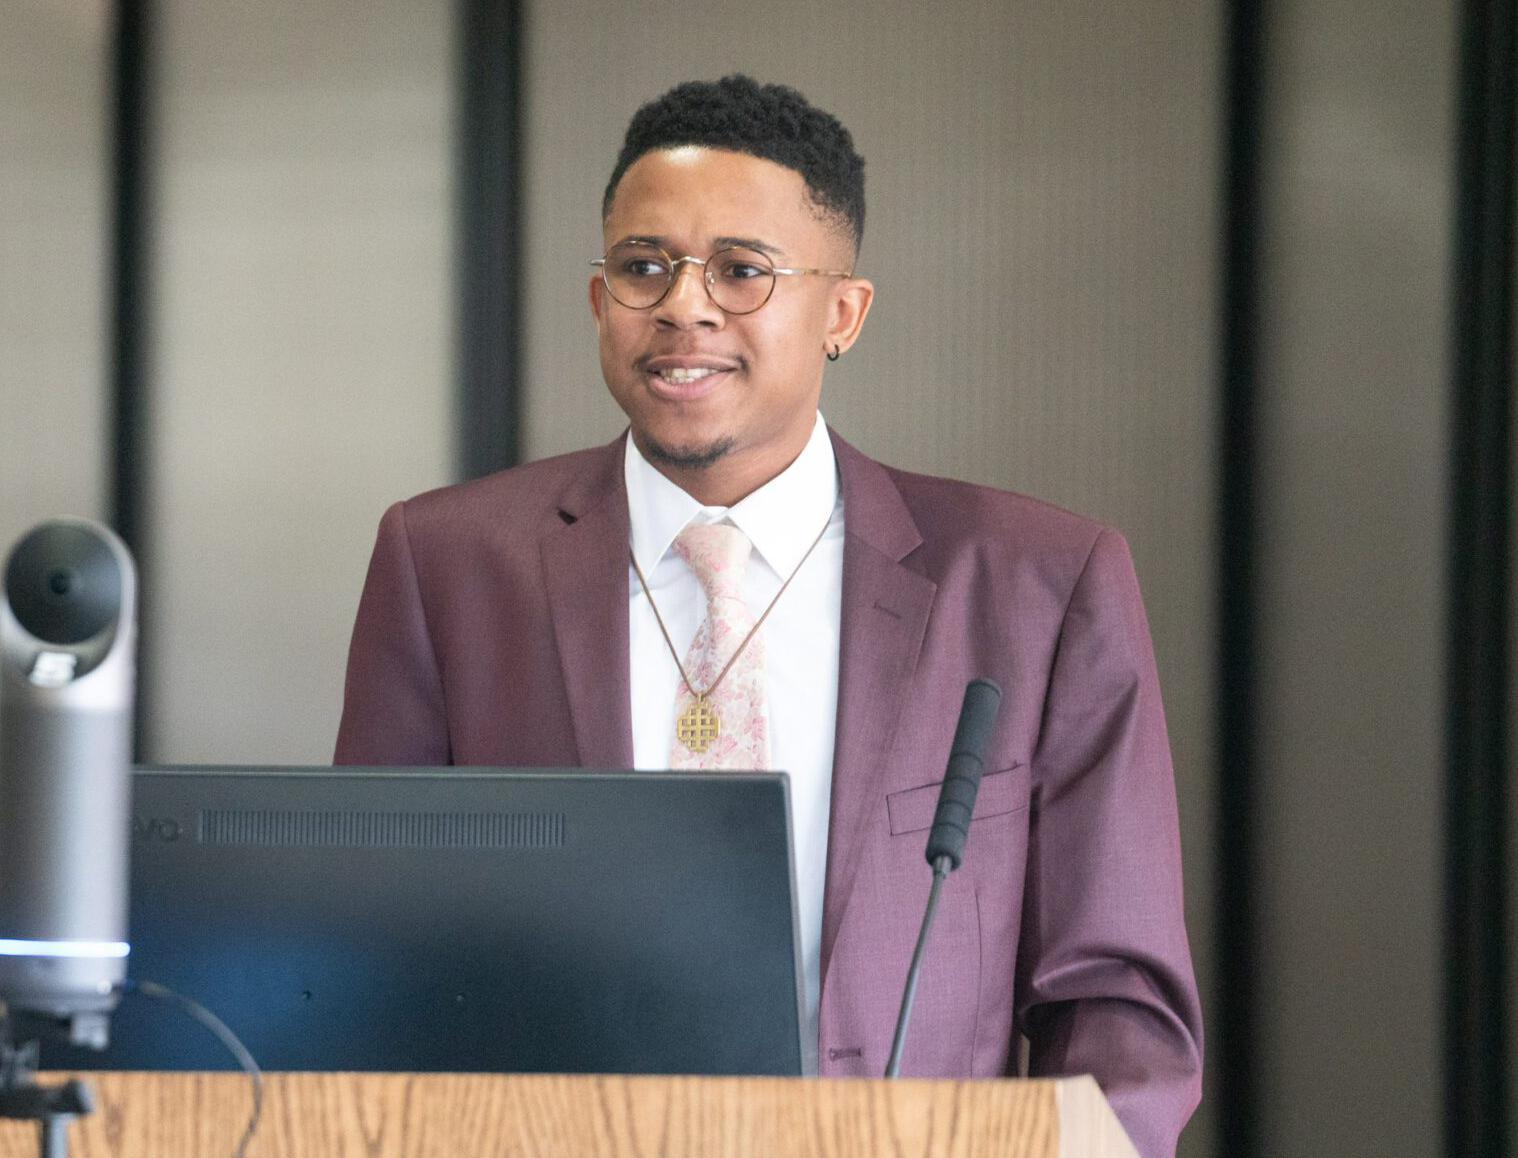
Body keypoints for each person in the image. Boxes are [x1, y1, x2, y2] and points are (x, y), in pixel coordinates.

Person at [335, 75, 1202, 1157]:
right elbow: (373, 961)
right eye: (644, 267)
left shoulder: (1037, 584)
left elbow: (1116, 1005)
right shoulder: (448, 563)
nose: (684, 306)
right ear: (599, 300)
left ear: (841, 314)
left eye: (742, 271)